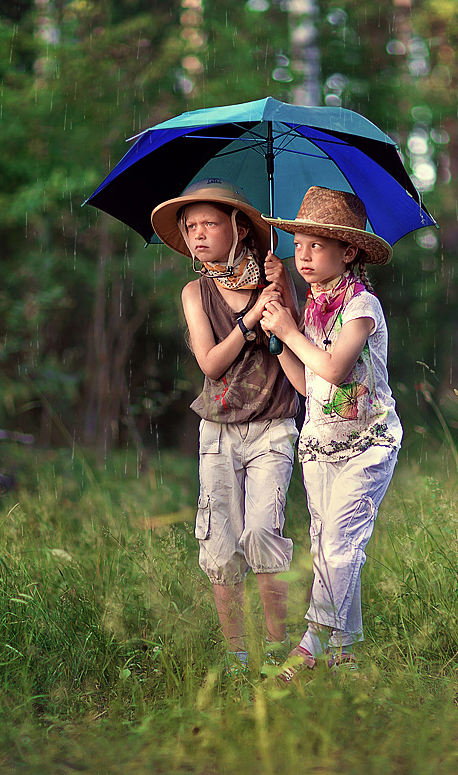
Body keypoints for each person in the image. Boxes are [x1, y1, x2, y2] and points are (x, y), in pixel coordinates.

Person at [150, 178, 301, 674]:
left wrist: (279, 298)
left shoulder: (275, 278)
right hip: (217, 430)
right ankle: (237, 658)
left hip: (273, 425)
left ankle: (278, 653)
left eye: (209, 223)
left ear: (237, 227)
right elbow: (211, 364)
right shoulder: (195, 291)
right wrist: (251, 316)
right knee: (219, 543)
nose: (197, 234)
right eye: (190, 226)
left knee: (262, 533)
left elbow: (296, 345)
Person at [259, 186, 403, 677]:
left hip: (368, 444)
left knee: (341, 545)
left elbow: (337, 370)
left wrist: (288, 331)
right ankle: (345, 657)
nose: (303, 255)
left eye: (317, 245)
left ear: (349, 250)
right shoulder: (313, 307)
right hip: (321, 443)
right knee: (329, 549)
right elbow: (309, 385)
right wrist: (279, 340)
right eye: (298, 245)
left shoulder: (362, 307)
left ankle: (310, 643)